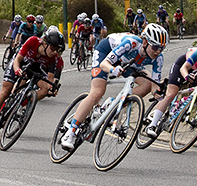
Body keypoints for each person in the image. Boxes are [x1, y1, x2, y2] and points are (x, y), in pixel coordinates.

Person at [60, 23, 169, 151]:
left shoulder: (158, 58)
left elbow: (154, 85)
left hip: (127, 62)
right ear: (145, 42)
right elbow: (104, 64)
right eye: (155, 47)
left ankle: (113, 105)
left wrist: (159, 93)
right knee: (97, 92)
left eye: (161, 48)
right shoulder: (131, 43)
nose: (158, 51)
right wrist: (113, 69)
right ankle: (70, 133)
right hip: (106, 54)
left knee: (146, 84)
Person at [144, 34, 197, 138]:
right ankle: (152, 126)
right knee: (171, 94)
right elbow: (183, 68)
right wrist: (186, 77)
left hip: (196, 71)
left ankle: (183, 103)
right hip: (182, 66)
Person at [0, 26, 64, 135]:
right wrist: (17, 70)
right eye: (53, 48)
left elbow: (50, 79)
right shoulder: (33, 41)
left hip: (32, 67)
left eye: (57, 49)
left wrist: (52, 89)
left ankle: (21, 102)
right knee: (6, 90)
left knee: (44, 89)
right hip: (19, 62)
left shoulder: (53, 58)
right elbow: (18, 59)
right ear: (45, 43)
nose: (55, 52)